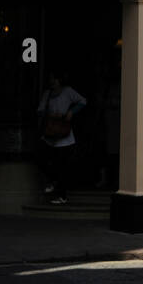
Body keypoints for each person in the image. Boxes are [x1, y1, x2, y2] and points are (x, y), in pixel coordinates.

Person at [36, 72, 86, 205]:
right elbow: (40, 110)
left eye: (55, 79)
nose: (52, 82)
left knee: (62, 165)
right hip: (50, 132)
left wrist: (71, 112)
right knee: (42, 159)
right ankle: (54, 182)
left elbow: (83, 101)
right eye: (51, 79)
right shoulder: (47, 94)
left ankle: (62, 195)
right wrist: (50, 114)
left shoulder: (67, 91)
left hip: (64, 133)